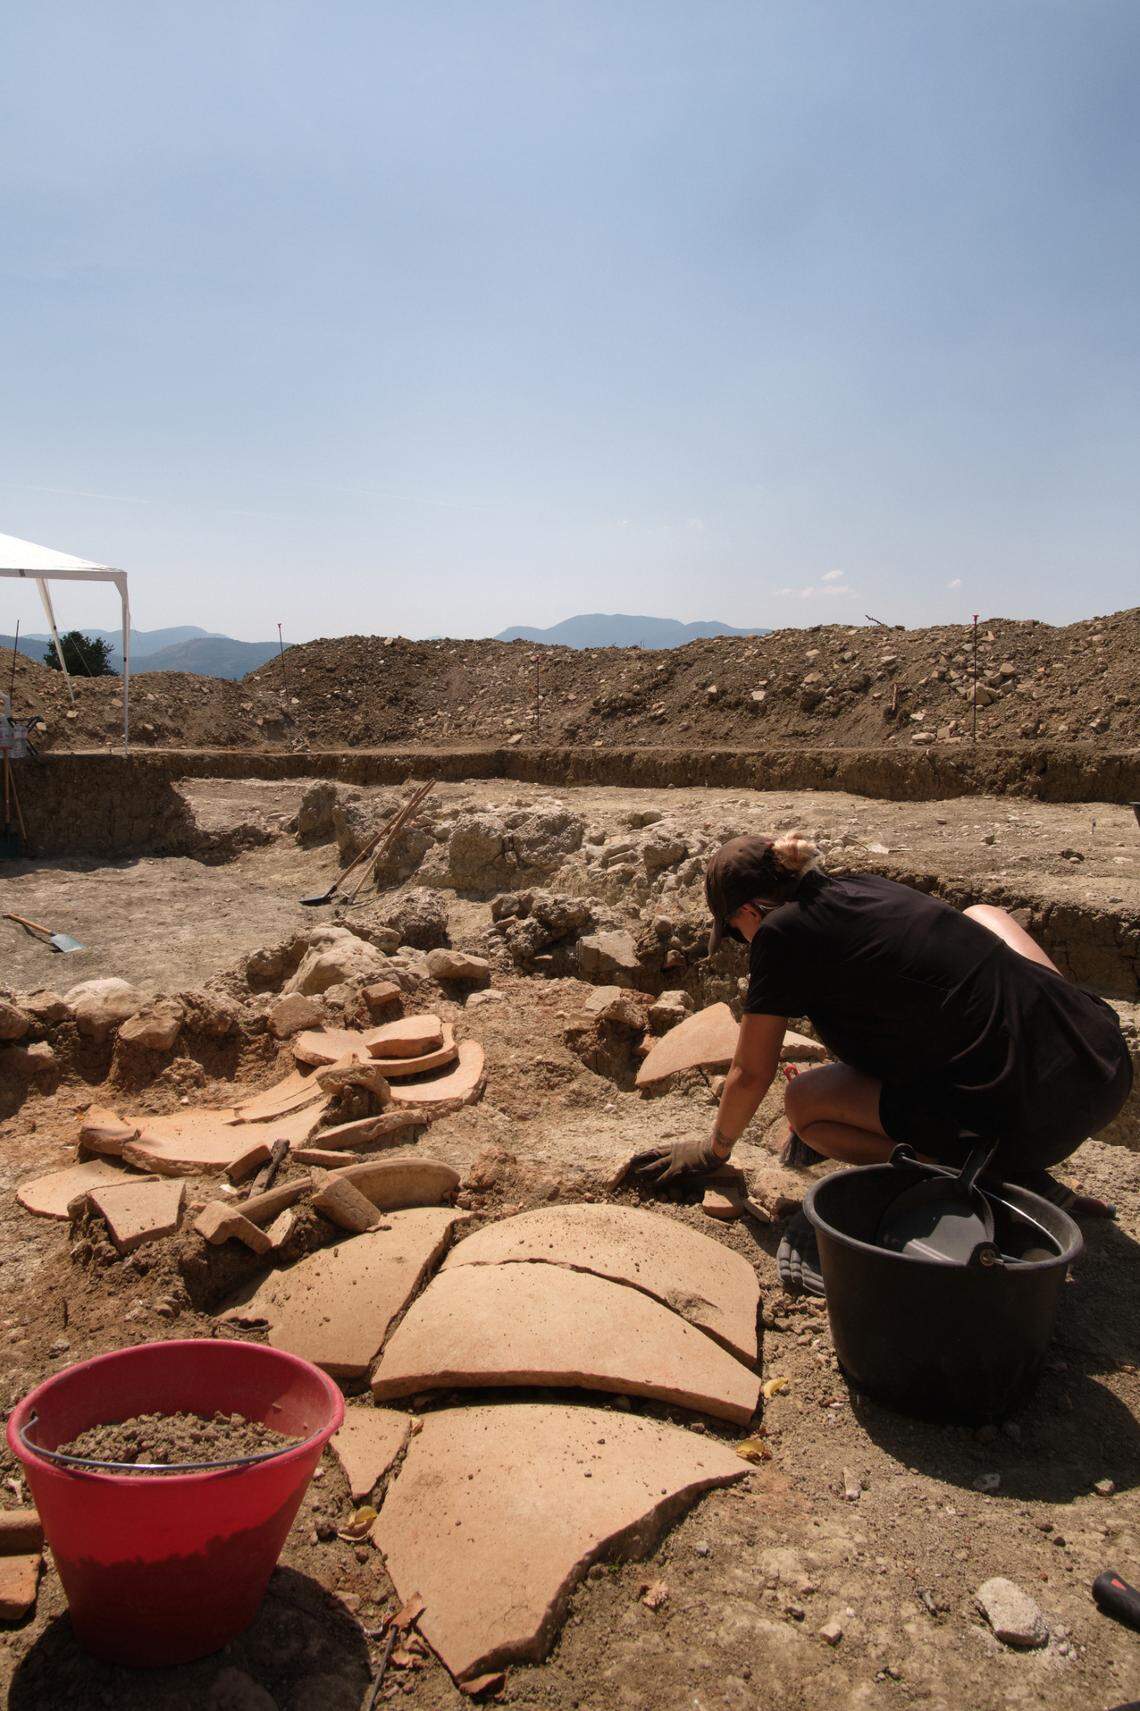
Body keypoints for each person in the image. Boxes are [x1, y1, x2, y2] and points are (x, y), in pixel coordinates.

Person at [625, 833, 1132, 1211]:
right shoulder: (859, 886)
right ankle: (1032, 1068)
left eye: (735, 931)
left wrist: (713, 1151)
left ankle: (983, 1172)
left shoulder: (779, 934)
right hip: (1102, 1061)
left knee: (805, 1107)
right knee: (983, 914)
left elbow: (752, 1072)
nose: (742, 943)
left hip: (1034, 1122)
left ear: (752, 909)